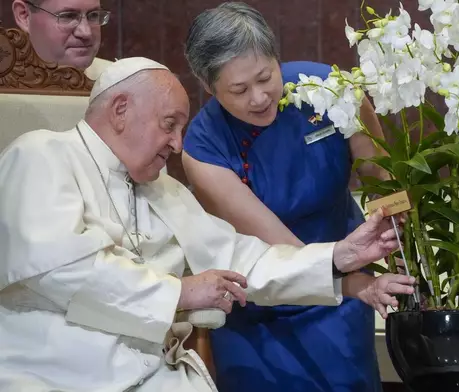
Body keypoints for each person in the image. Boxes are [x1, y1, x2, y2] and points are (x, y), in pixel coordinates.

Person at [0, 57, 415, 392]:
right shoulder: (40, 154)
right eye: (169, 125)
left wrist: (339, 256)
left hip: (157, 376)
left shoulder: (164, 191)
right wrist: (180, 291)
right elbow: (62, 270)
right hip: (53, 372)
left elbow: (241, 260)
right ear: (121, 110)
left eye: (181, 129)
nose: (178, 144)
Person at [182, 3, 393, 391]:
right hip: (260, 301)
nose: (260, 98)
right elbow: (282, 250)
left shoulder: (329, 89)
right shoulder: (203, 147)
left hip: (344, 291)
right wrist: (348, 280)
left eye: (265, 77)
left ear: (277, 58)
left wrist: (403, 249)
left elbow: (381, 178)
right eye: (239, 90)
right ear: (209, 87)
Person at [11, 0, 112, 79]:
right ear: (24, 16)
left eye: (94, 15)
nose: (86, 33)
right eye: (68, 16)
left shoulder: (119, 80)